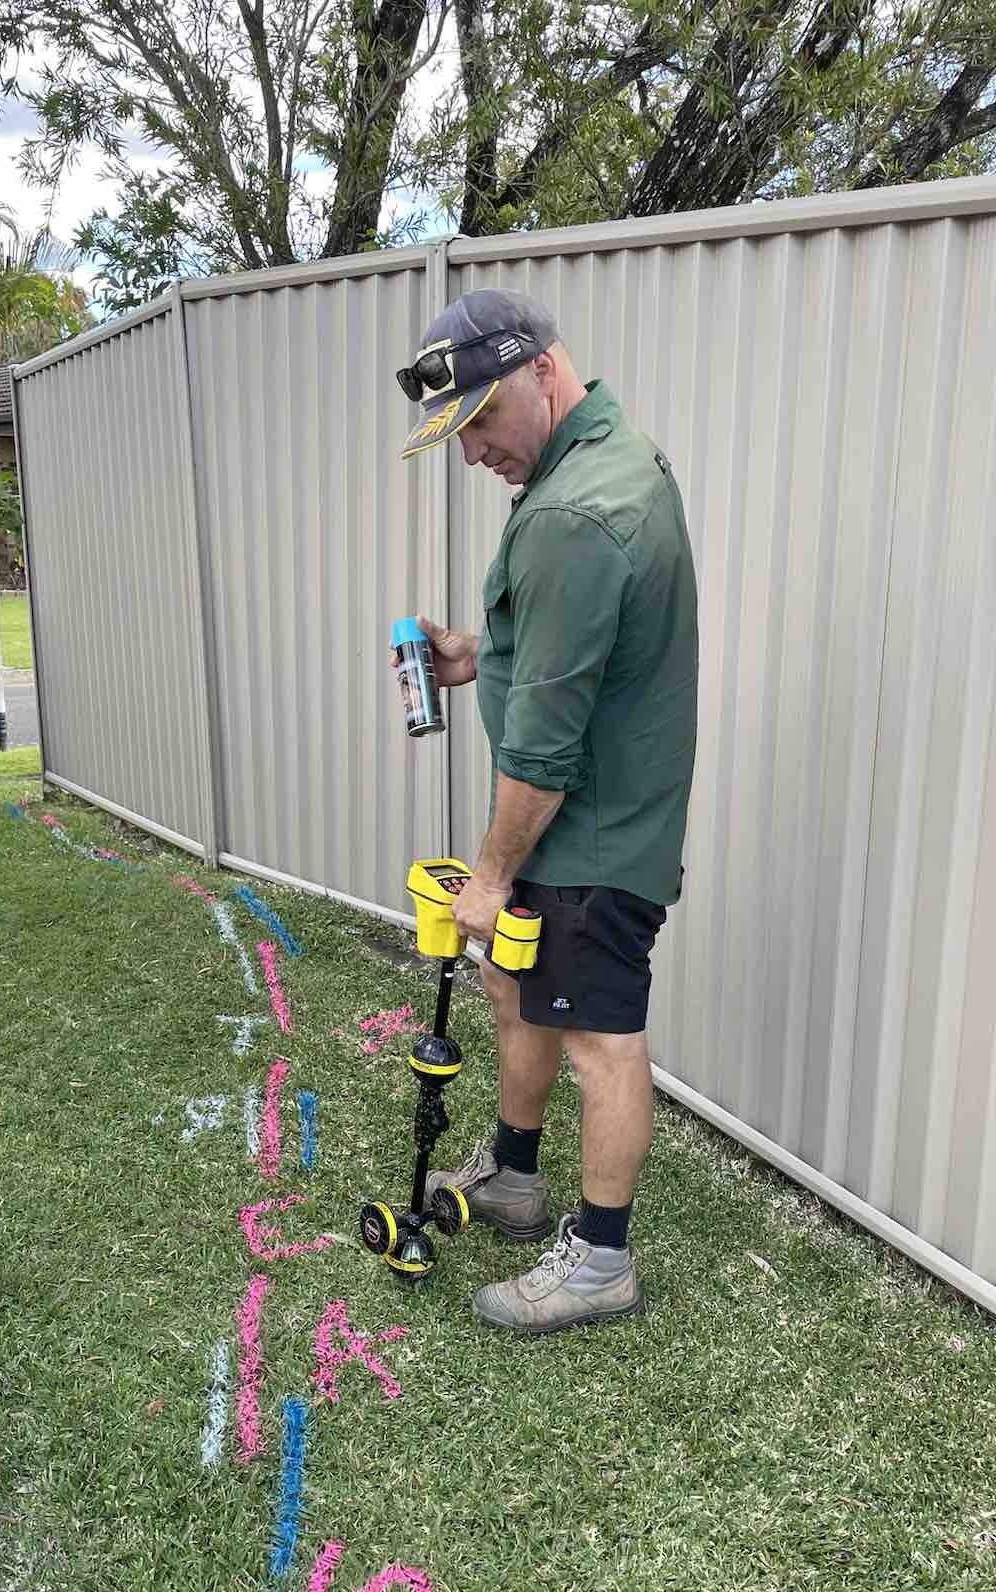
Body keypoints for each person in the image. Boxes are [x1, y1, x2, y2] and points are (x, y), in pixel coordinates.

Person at [394, 288, 699, 1334]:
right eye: (459, 432)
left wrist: (486, 876)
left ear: (541, 371)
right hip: (581, 818)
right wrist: (479, 654)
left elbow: (548, 749)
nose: (474, 451)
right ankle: (516, 1177)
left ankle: (601, 1259)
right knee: (518, 989)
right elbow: (574, 650)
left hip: (597, 830)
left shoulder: (576, 510)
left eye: (480, 420)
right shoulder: (598, 462)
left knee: (601, 1038)